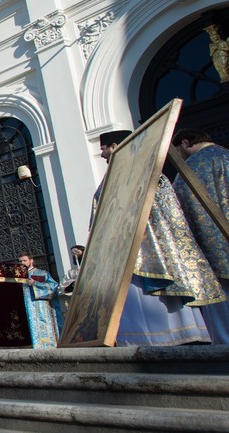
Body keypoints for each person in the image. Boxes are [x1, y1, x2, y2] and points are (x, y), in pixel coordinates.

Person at [94, 131, 222, 345]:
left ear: (115, 146)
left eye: (103, 149)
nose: (102, 155)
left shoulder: (137, 174)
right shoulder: (134, 174)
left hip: (141, 253)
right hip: (141, 252)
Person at [172, 128, 229, 342]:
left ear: (185, 143)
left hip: (207, 256)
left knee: (220, 312)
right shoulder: (225, 157)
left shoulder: (185, 172)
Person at [19, 254, 62, 348]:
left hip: (39, 307)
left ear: (31, 260)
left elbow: (53, 286)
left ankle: (47, 346)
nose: (22, 263)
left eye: (24, 260)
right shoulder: (18, 276)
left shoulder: (42, 273)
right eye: (20, 261)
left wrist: (35, 284)